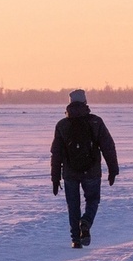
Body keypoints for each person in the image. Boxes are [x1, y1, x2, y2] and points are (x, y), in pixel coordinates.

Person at [51, 89, 119, 248]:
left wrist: (55, 177)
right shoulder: (96, 122)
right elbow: (108, 146)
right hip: (92, 171)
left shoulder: (62, 125)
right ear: (85, 102)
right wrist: (113, 169)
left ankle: (75, 240)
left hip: (70, 173)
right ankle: (86, 222)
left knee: (73, 205)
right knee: (93, 200)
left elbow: (56, 153)